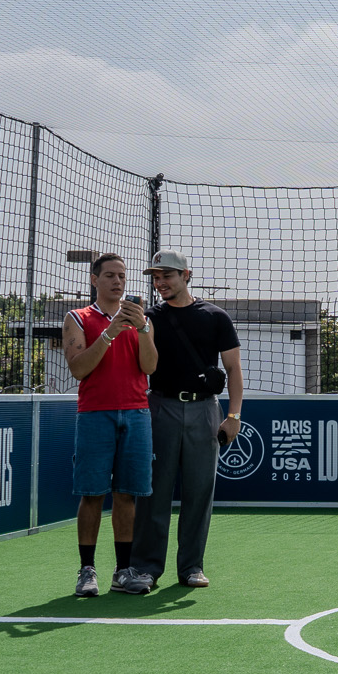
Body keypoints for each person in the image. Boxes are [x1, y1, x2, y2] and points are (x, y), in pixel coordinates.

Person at [137, 249, 243, 588]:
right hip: (159, 406)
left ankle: (192, 567)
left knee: (199, 492)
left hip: (204, 409)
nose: (160, 282)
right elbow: (143, 365)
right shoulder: (149, 318)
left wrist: (234, 415)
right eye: (156, 277)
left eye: (167, 275)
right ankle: (146, 568)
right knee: (154, 493)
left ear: (186, 275)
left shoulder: (216, 316)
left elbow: (233, 368)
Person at [64, 253, 159, 597]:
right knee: (91, 495)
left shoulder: (142, 321)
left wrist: (142, 329)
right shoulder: (77, 318)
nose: (117, 282)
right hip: (95, 414)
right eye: (109, 276)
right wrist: (109, 333)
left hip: (136, 413)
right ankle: (87, 570)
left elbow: (149, 367)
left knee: (126, 495)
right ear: (94, 280)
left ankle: (123, 571)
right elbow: (79, 369)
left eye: (121, 276)